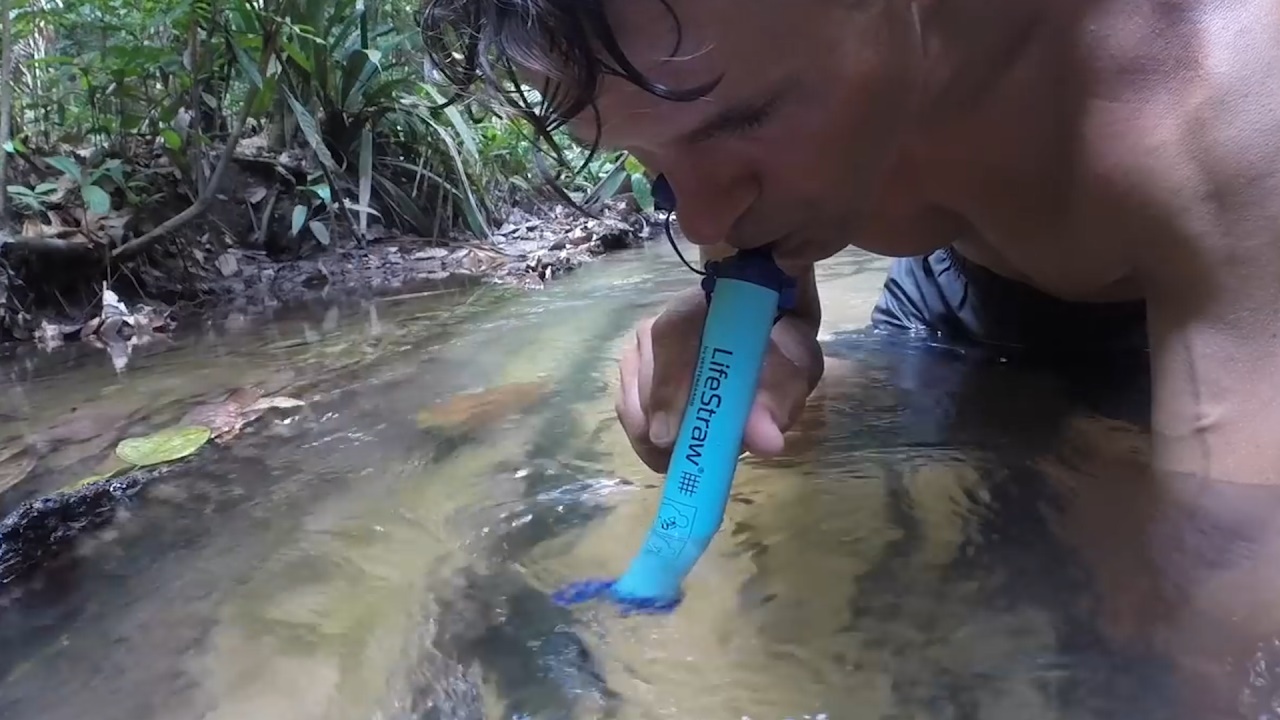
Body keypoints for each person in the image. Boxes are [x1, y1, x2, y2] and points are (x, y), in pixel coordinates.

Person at [421, 0, 1280, 715]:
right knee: (804, 470)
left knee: (1157, 603)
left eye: (744, 122)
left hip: (1191, 310)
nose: (705, 221)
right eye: (654, 166)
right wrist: (770, 344)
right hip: (954, 293)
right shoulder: (750, 62)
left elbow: (1230, 584)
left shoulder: (1218, 99)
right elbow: (780, 299)